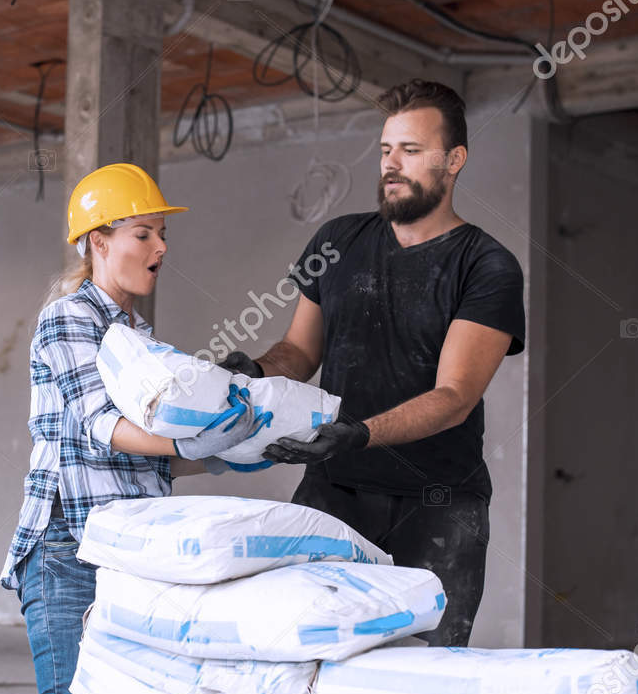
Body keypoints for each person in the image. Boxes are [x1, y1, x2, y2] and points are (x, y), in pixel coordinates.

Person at [224, 80, 525, 646]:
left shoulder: (486, 266)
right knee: (302, 653)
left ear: (454, 160)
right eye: (386, 150)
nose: (391, 164)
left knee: (421, 676)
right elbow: (299, 352)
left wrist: (356, 434)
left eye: (410, 151)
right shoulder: (337, 240)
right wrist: (254, 371)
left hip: (438, 506)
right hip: (333, 492)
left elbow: (454, 396)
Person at [1, 163, 262, 694]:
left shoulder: (137, 334)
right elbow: (102, 427)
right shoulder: (67, 319)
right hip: (67, 550)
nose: (161, 247)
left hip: (131, 550)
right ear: (99, 241)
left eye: (161, 234)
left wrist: (238, 448)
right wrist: (192, 440)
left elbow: (148, 458)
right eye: (144, 233)